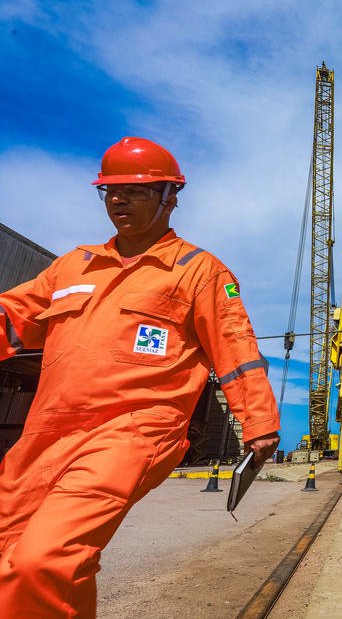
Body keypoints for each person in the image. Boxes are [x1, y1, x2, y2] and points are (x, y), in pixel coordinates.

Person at [0, 137, 281, 617]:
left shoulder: (200, 272)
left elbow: (235, 345)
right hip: (47, 432)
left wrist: (258, 422)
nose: (117, 199)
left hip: (131, 431)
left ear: (170, 196)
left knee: (41, 559)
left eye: (134, 190)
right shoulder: (74, 265)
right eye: (110, 190)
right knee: (15, 554)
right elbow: (11, 316)